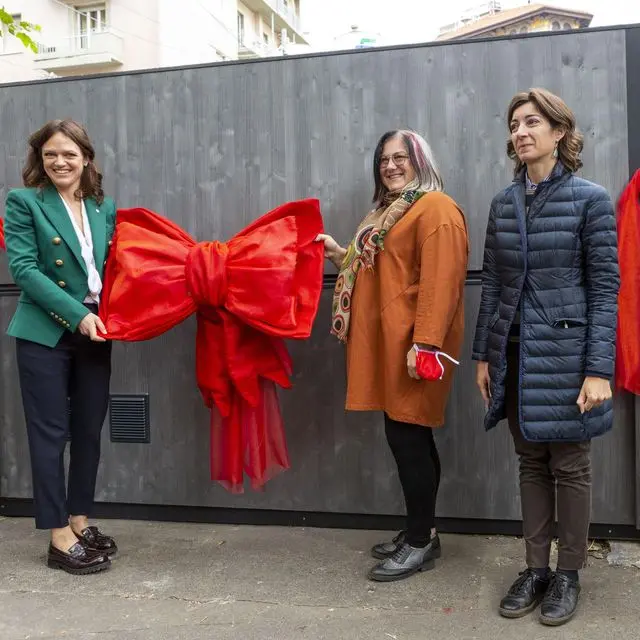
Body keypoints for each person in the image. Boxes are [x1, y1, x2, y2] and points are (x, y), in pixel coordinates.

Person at [472, 88, 619, 626]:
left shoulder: (590, 199)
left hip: (568, 354)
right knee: (530, 461)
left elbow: (605, 288)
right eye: (514, 124)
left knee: (571, 465)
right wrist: (484, 356)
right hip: (513, 353)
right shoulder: (502, 203)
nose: (521, 132)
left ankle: (569, 573)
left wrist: (599, 368)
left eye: (532, 122)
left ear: (559, 133)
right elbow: (493, 284)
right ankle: (535, 568)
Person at [317, 129, 468, 582]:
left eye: (401, 157)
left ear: (420, 159)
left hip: (413, 346)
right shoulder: (389, 212)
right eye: (384, 159)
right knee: (410, 439)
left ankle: (420, 542)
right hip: (390, 343)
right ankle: (423, 530)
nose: (391, 166)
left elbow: (441, 283)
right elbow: (383, 268)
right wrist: (341, 255)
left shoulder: (435, 208)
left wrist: (424, 346)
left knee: (408, 440)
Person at [4, 119, 118, 574]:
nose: (60, 162)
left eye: (69, 153)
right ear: (40, 159)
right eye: (51, 154)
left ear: (86, 158)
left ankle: (78, 520)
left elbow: (117, 267)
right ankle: (57, 536)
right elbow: (25, 270)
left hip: (95, 329)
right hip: (46, 332)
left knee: (89, 430)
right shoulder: (24, 201)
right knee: (50, 436)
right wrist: (78, 314)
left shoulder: (101, 205)